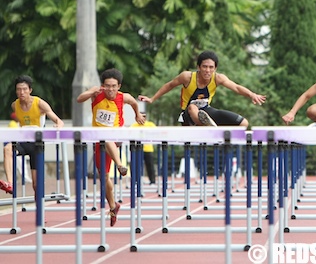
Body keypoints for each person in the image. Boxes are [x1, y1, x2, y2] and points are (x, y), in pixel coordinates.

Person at [77, 68, 145, 226]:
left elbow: (134, 102)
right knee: (104, 176)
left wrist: (137, 114)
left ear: (119, 86)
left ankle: (121, 165)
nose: (110, 90)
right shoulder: (96, 95)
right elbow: (80, 99)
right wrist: (92, 90)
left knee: (106, 136)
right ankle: (113, 206)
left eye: (114, 86)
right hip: (98, 138)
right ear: (103, 86)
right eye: (107, 86)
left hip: (117, 134)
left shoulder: (124, 97)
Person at [138, 51, 266, 127]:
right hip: (188, 115)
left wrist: (252, 94)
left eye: (211, 67)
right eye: (204, 67)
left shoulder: (218, 78)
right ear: (198, 67)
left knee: (244, 123)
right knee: (193, 107)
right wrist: (152, 98)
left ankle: (220, 137)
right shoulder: (187, 77)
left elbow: (236, 87)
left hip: (206, 112)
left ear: (215, 68)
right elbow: (169, 85)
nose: (207, 70)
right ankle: (206, 128)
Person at [0, 75, 64, 196]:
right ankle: (10, 183)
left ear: (30, 90)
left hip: (37, 144)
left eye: (24, 89)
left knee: (36, 185)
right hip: (23, 141)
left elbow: (58, 120)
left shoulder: (40, 104)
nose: (21, 92)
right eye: (19, 89)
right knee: (7, 149)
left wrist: (58, 126)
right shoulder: (15, 105)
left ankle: (40, 210)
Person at [130, 115, 157, 185]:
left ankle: (152, 181)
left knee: (150, 165)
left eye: (144, 116)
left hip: (148, 149)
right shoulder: (133, 126)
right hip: (137, 149)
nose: (142, 118)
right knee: (135, 165)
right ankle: (135, 181)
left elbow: (157, 133)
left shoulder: (150, 125)